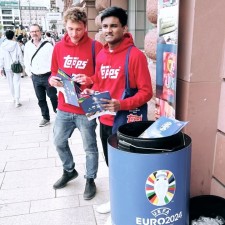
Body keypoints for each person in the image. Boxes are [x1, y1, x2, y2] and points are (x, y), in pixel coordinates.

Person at [79, 6, 153, 224]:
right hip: (105, 121)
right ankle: (117, 201)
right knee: (112, 165)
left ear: (124, 28)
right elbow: (103, 83)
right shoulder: (102, 54)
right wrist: (90, 84)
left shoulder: (135, 55)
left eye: (113, 26)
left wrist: (121, 104)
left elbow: (146, 92)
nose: (108, 30)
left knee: (127, 169)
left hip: (126, 123)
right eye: (104, 26)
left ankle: (126, 207)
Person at [48, 7, 103, 200]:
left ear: (85, 27)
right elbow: (53, 72)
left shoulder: (96, 47)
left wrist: (89, 79)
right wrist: (52, 80)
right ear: (65, 27)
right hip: (64, 105)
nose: (74, 34)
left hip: (87, 106)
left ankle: (90, 179)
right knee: (58, 141)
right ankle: (69, 170)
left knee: (90, 147)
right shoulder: (58, 47)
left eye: (78, 29)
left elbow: (102, 76)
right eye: (70, 29)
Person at [24, 24, 58, 127]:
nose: (34, 33)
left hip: (48, 76)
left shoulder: (48, 45)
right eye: (32, 31)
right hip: (35, 77)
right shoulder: (27, 45)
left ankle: (58, 114)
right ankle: (45, 117)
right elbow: (26, 60)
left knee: (53, 96)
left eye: (36, 31)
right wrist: (30, 74)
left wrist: (53, 74)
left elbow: (54, 61)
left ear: (41, 32)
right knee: (41, 99)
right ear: (30, 33)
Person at [0, 30, 24, 107]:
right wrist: (22, 65)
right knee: (16, 82)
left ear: (6, 36)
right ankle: (17, 100)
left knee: (10, 83)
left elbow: (1, 57)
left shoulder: (2, 45)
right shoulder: (16, 44)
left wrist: (1, 67)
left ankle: (14, 97)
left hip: (7, 67)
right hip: (16, 66)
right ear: (13, 36)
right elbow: (20, 55)